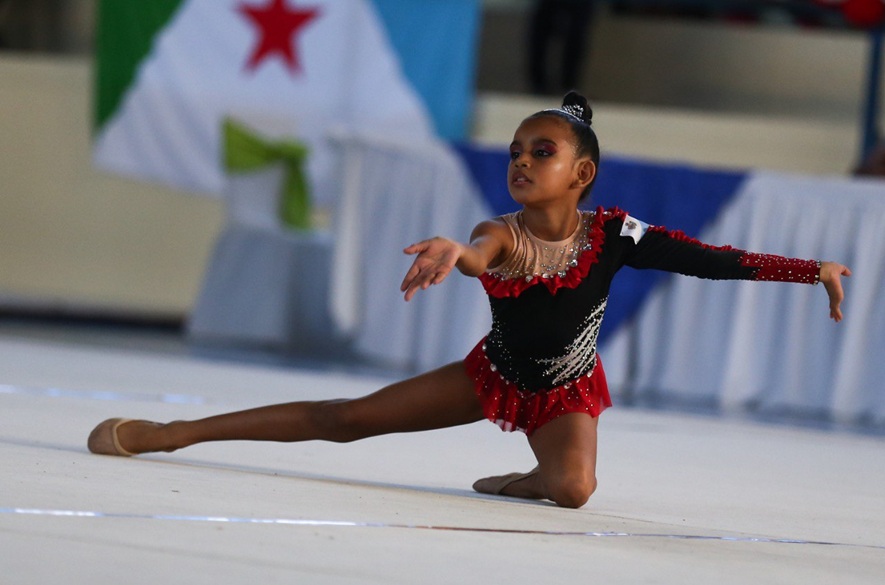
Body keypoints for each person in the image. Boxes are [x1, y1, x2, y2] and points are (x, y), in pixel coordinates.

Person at [88, 91, 852, 509]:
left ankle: (525, 478)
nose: (522, 161)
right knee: (342, 420)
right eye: (516, 151)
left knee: (574, 492)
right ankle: (174, 432)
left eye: (541, 152)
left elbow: (708, 259)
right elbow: (478, 251)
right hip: (492, 371)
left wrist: (807, 267)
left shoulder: (617, 233)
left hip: (564, 391)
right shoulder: (501, 231)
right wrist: (455, 254)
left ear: (580, 173)